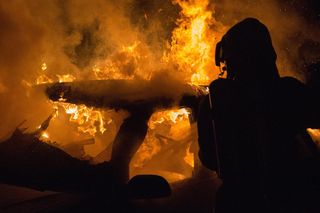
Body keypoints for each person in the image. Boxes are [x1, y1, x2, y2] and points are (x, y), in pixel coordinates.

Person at [197, 18, 320, 212]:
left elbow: (209, 158)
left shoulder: (214, 101)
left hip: (237, 199)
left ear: (227, 58)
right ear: (268, 53)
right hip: (290, 193)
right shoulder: (287, 90)